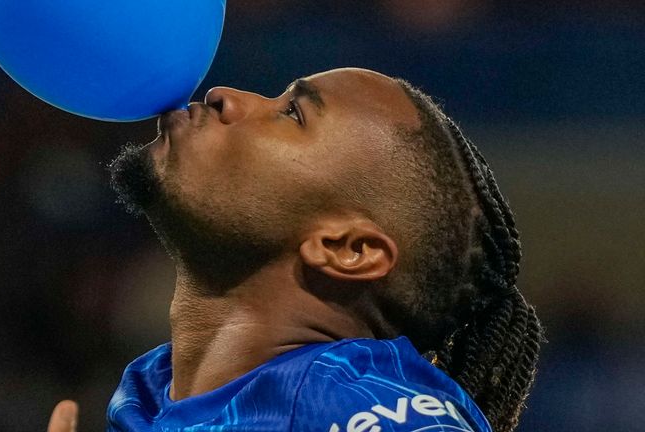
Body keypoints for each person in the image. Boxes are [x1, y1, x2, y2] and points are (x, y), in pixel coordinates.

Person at [47, 68, 543, 432]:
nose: (225, 95)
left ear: (347, 249)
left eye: (292, 113)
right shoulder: (147, 394)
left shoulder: (359, 405)